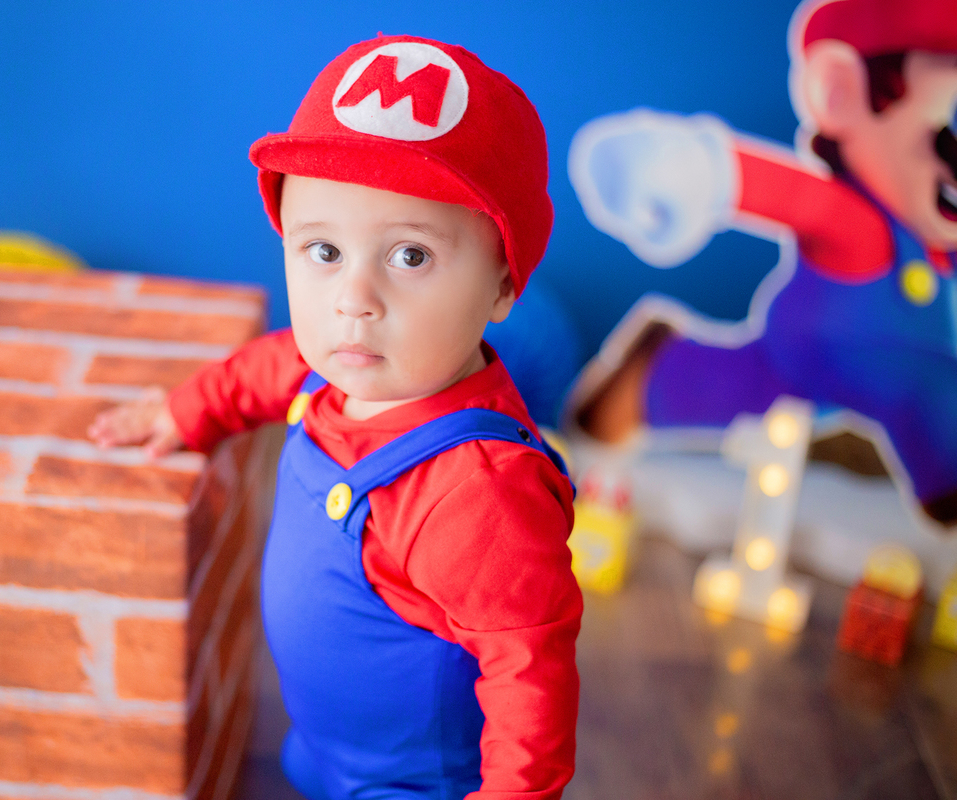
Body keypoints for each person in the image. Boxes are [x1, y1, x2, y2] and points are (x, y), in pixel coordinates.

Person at [89, 34, 581, 800]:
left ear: (502, 286)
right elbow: (259, 371)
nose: (354, 300)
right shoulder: (333, 363)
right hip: (322, 748)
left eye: (410, 256)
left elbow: (530, 682)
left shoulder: (477, 495)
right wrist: (186, 413)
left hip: (414, 783)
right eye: (323, 252)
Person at [567, 0, 957, 525]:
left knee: (928, 398)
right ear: (839, 91)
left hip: (911, 380)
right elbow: (790, 194)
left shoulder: (940, 249)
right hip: (810, 358)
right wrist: (692, 169)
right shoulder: (857, 228)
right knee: (745, 388)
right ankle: (651, 376)